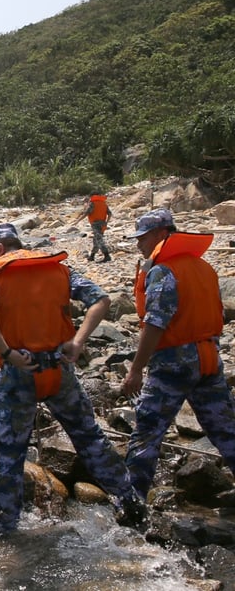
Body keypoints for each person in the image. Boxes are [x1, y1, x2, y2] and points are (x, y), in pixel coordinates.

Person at [0, 223, 145, 532]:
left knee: (10, 453)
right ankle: (130, 504)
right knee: (90, 438)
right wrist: (78, 342)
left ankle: (6, 527)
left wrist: (7, 352)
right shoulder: (59, 269)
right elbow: (101, 300)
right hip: (59, 370)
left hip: (19, 373)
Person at [121, 209, 235, 497]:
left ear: (161, 235)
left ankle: (132, 504)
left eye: (143, 238)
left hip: (174, 364)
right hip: (209, 359)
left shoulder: (163, 270)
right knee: (225, 430)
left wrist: (136, 370)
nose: (139, 245)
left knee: (147, 432)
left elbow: (156, 323)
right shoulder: (204, 268)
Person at [72, 192, 113, 262]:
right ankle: (92, 256)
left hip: (95, 224)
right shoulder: (104, 203)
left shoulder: (92, 203)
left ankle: (107, 256)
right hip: (103, 224)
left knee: (99, 240)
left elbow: (86, 213)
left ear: (92, 196)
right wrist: (107, 222)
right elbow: (110, 213)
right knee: (96, 239)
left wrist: (77, 221)